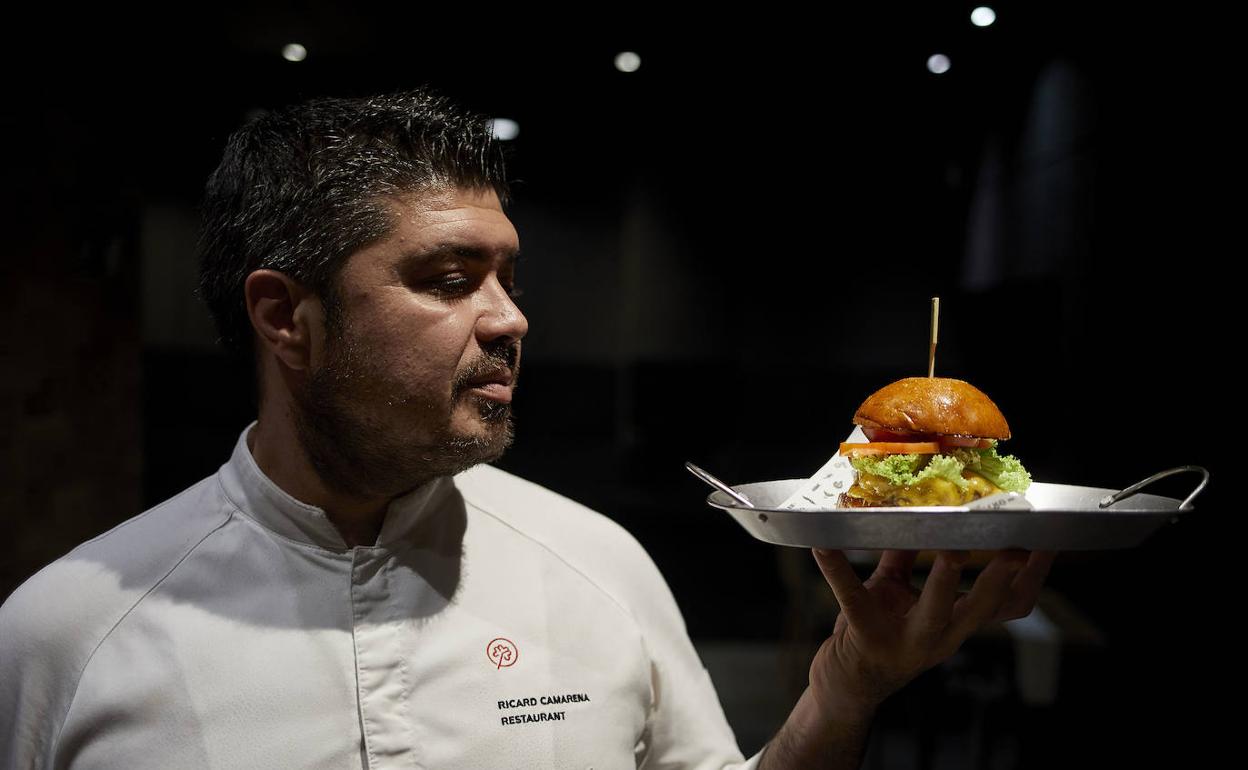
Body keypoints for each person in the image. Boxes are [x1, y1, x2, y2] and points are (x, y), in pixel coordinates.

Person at [0, 90, 1055, 769]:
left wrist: (846, 686)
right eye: (452, 281)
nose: (510, 319)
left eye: (508, 276)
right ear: (287, 317)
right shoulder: (63, 638)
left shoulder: (600, 563)